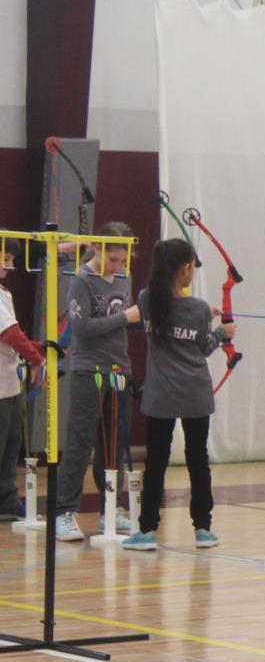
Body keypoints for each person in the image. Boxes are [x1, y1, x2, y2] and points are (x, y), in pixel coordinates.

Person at [121, 238, 231, 550]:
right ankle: (203, 529)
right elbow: (203, 347)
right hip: (194, 393)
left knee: (156, 462)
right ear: (184, 269)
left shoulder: (146, 299)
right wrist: (221, 333)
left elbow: (174, 317)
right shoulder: (197, 309)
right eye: (192, 268)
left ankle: (147, 530)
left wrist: (205, 315)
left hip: (161, 396)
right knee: (198, 460)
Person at [54, 223, 136, 541]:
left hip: (119, 369)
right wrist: (125, 318)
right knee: (80, 442)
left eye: (122, 260)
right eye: (113, 259)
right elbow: (83, 327)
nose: (118, 266)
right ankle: (64, 512)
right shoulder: (81, 280)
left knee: (111, 443)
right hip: (89, 369)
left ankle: (110, 508)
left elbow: (126, 320)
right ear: (99, 249)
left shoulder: (125, 277)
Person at [0, 243, 46, 521]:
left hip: (9, 382)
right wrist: (36, 357)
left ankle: (6, 498)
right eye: (4, 258)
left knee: (11, 442)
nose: (8, 264)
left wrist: (38, 348)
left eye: (11, 259)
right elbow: (10, 333)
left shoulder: (5, 293)